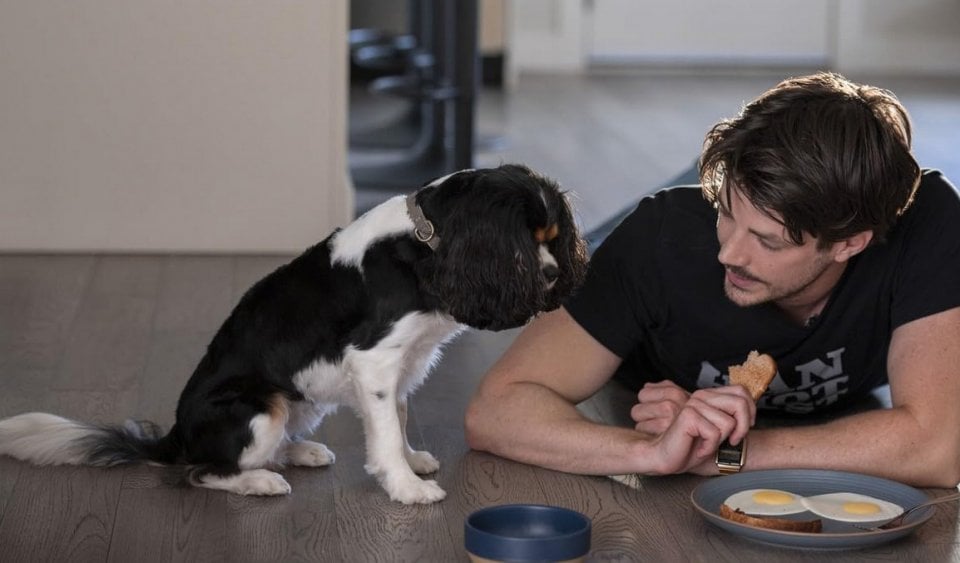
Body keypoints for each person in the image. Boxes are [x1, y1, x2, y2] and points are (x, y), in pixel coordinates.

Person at [464, 72, 960, 487]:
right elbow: (496, 410)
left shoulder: (928, 224)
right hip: (640, 280)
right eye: (726, 213)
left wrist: (731, 453)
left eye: (768, 241)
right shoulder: (662, 241)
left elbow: (938, 449)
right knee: (568, 260)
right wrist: (653, 452)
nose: (729, 254)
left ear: (850, 243)